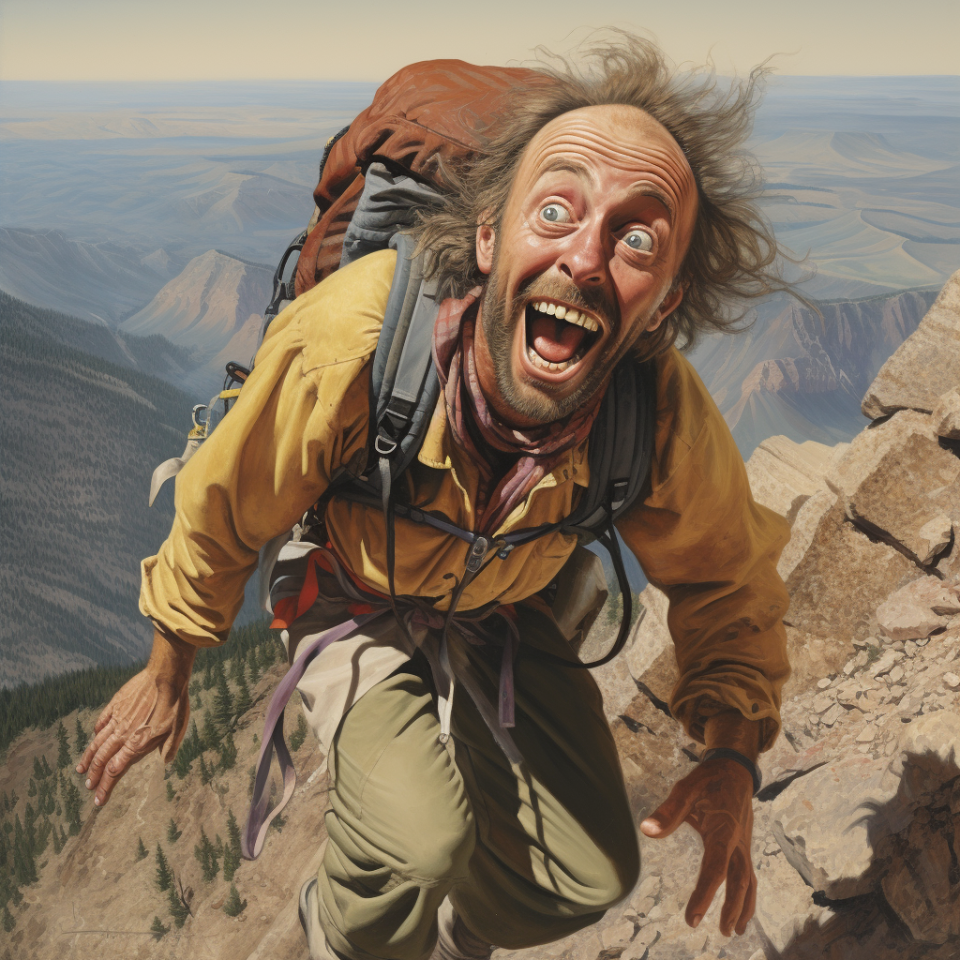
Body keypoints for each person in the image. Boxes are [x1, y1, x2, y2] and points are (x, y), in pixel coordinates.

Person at [77, 34, 793, 960]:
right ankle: (340, 934)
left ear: (663, 302)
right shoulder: (355, 339)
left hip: (505, 592)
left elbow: (727, 582)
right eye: (557, 210)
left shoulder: (653, 410)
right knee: (419, 845)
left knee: (591, 876)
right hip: (348, 579)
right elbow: (228, 505)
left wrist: (733, 750)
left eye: (637, 237)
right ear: (489, 235)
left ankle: (450, 941)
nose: (584, 257)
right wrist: (168, 664)